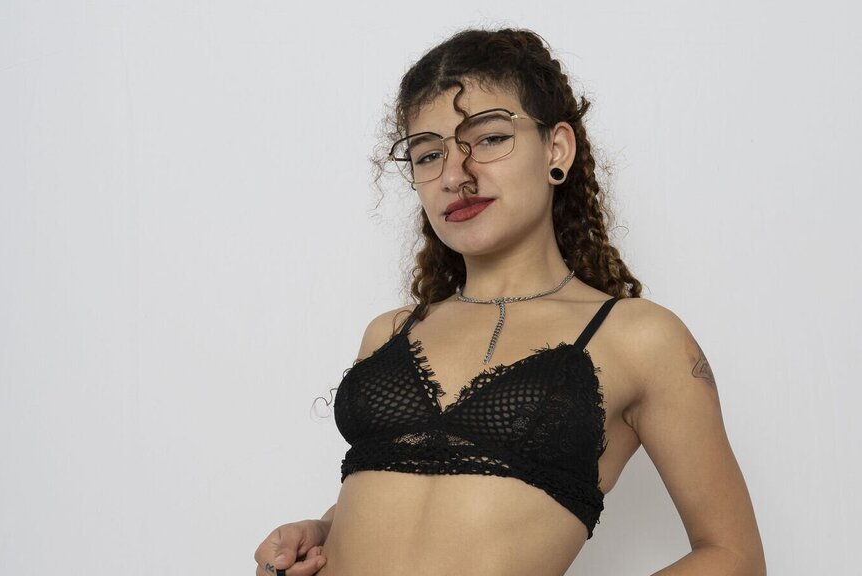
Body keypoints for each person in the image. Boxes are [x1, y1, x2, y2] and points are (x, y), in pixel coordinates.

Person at [253, 27, 765, 576]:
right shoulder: (392, 332)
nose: (455, 175)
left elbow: (734, 557)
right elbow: (408, 497)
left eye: (490, 138)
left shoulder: (638, 338)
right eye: (428, 155)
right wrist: (319, 534)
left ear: (556, 149)